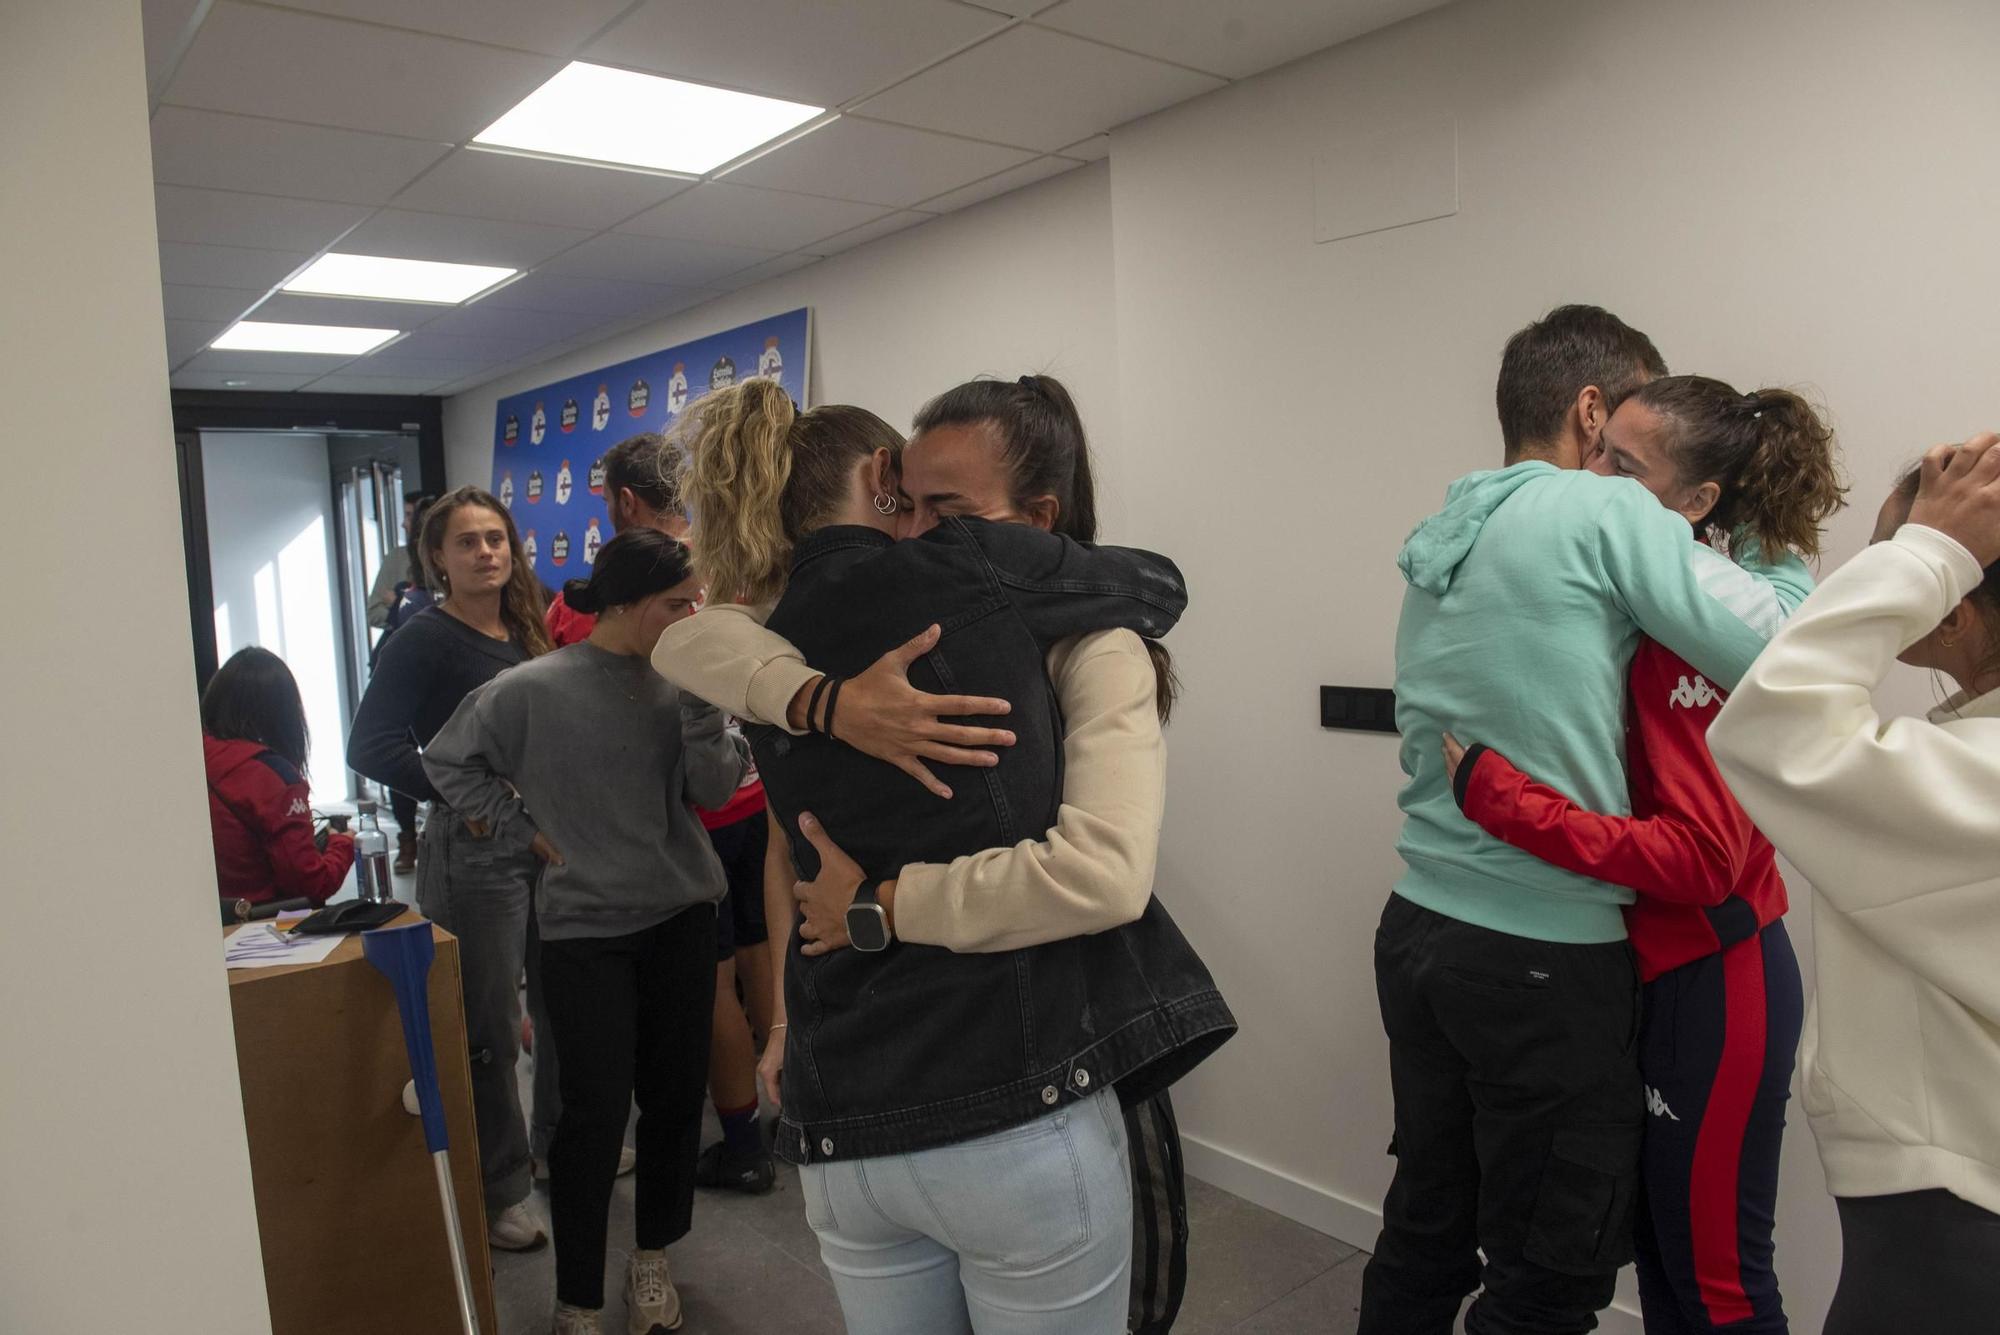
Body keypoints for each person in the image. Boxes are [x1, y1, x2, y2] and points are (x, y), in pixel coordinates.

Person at [653, 376, 1233, 1335]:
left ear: (1036, 524)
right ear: (879, 481)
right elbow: (696, 650)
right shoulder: (816, 647)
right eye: (909, 505)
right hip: (991, 1109)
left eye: (948, 512)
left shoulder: (1082, 643)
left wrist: (876, 904)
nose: (919, 535)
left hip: (889, 1111)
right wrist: (826, 701)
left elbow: (1099, 871)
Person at [1365, 306, 1817, 1335]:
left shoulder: (1450, 524)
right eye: (1617, 443)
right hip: (1536, 948)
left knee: (1425, 1232)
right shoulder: (1599, 512)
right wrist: (1769, 540)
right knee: (1548, 1270)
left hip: (1417, 926)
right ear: (1587, 412)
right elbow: (1782, 656)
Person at [1708, 437, 2000, 1335]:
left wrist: (1929, 549)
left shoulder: (1976, 778)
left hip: (1950, 1222)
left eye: (1888, 556)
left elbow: (1769, 725)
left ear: (1951, 609)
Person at [424, 529, 745, 1335]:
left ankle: (652, 1264)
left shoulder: (683, 684)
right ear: (629, 604)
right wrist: (517, 827)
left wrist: (707, 702)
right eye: (678, 604)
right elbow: (449, 758)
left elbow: (712, 787)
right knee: (590, 1113)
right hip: (583, 928)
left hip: (681, 914)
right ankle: (577, 1295)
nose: (691, 615)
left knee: (673, 1101)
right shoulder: (533, 687)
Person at [534, 431, 778, 1193]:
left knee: (709, 988)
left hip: (690, 816)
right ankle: (791, 1115)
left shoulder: (609, 598)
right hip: (754, 798)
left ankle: (742, 1143)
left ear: (625, 501)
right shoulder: (729, 573)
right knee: (765, 959)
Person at [347, 486, 556, 1254]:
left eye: (496, 538)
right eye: (467, 542)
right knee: (491, 1026)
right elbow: (369, 745)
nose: (486, 553)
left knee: (559, 1005)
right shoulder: (422, 638)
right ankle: (501, 1186)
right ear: (438, 557)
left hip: (550, 842)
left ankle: (555, 1149)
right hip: (475, 851)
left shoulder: (528, 626)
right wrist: (464, 792)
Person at [202, 646, 354, 906]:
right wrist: (342, 844)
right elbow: (312, 883)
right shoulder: (273, 778)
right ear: (283, 712)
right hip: (263, 926)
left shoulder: (185, 759)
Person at [372, 491, 438, 874]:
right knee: (404, 748)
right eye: (411, 516)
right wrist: (400, 603)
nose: (407, 522)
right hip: (401, 661)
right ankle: (407, 839)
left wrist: (398, 599)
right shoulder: (397, 558)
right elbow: (375, 608)